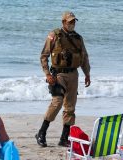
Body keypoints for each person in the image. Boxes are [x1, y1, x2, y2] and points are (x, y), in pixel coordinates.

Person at [36, 11, 91, 147]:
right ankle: (41, 133)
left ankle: (64, 139)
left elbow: (84, 57)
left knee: (70, 108)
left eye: (73, 22)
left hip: (73, 75)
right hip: (58, 74)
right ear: (63, 22)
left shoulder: (78, 38)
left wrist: (87, 74)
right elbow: (44, 56)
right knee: (57, 102)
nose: (72, 24)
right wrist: (47, 74)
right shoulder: (54, 35)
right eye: (69, 22)